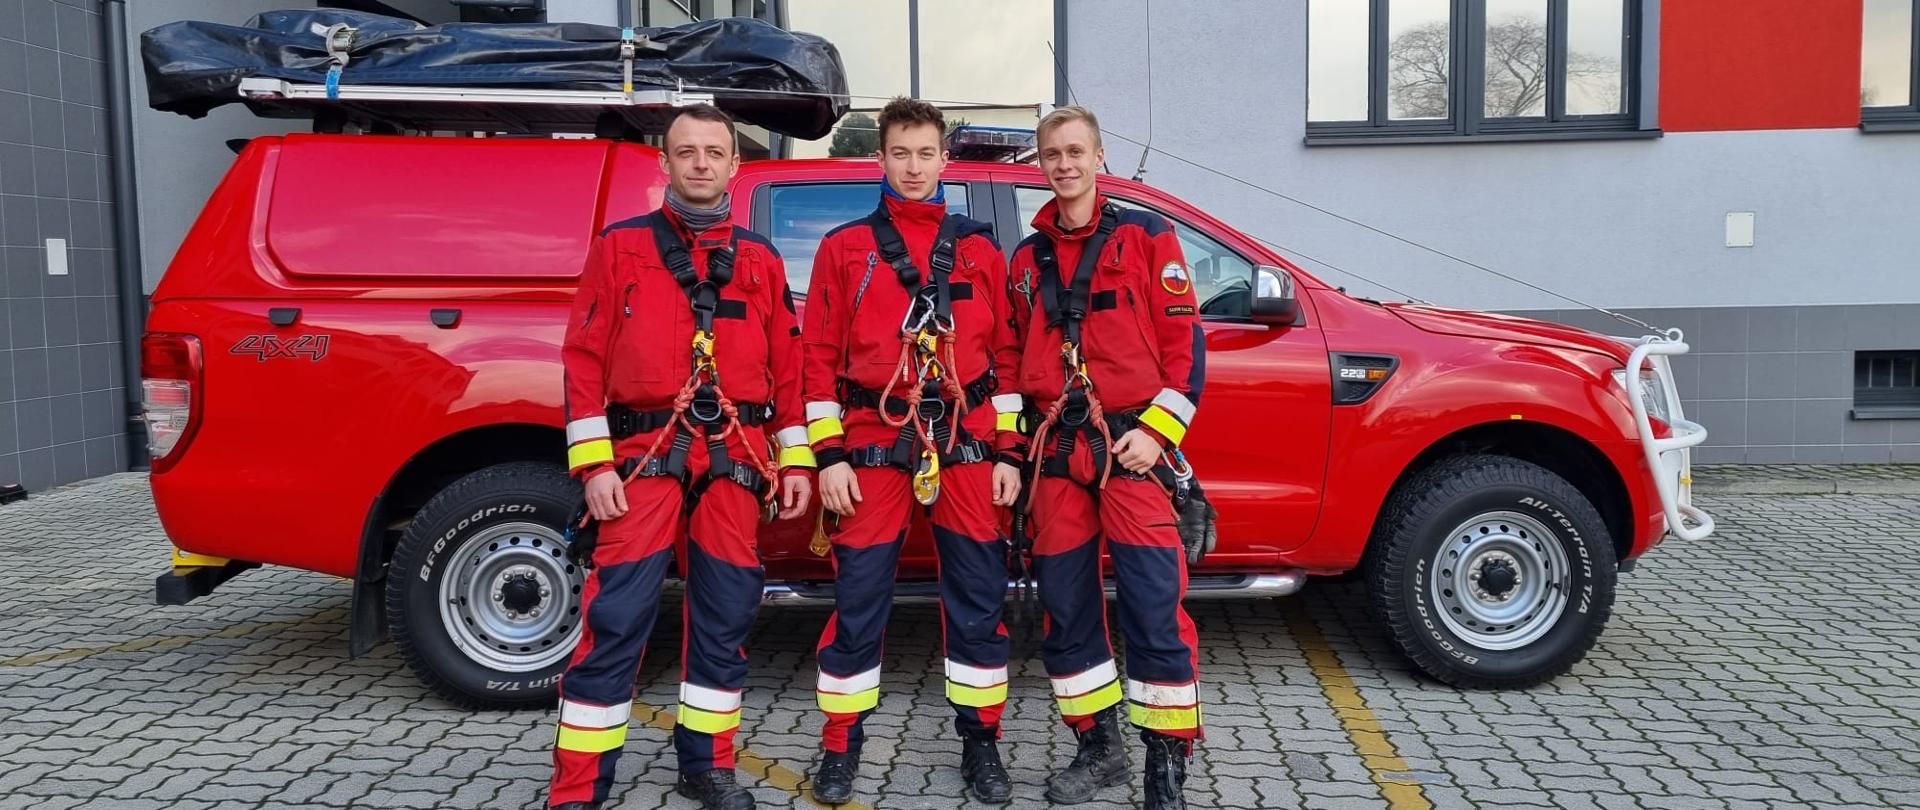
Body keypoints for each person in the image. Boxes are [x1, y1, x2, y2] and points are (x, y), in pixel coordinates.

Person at [551, 104, 814, 810]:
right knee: (617, 621)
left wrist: (796, 464)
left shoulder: (758, 259)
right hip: (644, 458)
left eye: (714, 152)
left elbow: (790, 372)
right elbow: (581, 359)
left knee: (725, 620)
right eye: (686, 151)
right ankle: (578, 790)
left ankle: (708, 766)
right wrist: (596, 466)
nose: (701, 162)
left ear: (734, 164)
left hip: (736, 462)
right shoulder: (620, 247)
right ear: (664, 164)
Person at [799, 96, 1026, 805]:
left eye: (927, 154)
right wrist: (827, 454)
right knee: (860, 599)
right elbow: (817, 361)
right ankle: (841, 745)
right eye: (902, 153)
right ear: (882, 158)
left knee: (978, 601)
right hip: (871, 444)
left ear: (944, 159)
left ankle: (981, 742)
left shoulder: (982, 250)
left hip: (967, 445)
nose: (915, 167)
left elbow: (1010, 360)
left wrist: (1010, 455)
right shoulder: (844, 250)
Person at [1004, 105, 1207, 810]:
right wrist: (1009, 447)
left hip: (1132, 448)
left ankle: (1165, 761)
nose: (1063, 164)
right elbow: (1007, 363)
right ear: (1040, 163)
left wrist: (1158, 433)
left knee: (1155, 603)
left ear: (1098, 157)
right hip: (1055, 452)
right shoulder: (1026, 259)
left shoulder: (1150, 237)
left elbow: (1187, 355)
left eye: (1075, 151)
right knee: (1067, 607)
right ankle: (1099, 748)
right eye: (1051, 154)